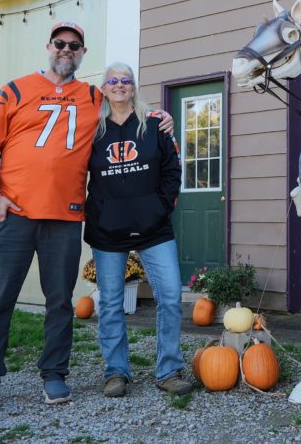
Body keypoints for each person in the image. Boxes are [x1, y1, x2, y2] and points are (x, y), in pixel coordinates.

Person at [0, 22, 173, 415]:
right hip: (14, 213)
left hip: (64, 216)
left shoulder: (92, 95)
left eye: (75, 45)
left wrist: (160, 116)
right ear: (49, 47)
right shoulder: (15, 90)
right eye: (61, 43)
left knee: (60, 302)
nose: (67, 49)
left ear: (83, 53)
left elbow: (125, 101)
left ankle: (54, 372)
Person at [83, 62, 191, 398]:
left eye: (125, 80)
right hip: (108, 230)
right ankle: (116, 372)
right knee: (111, 303)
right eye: (112, 81)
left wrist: (159, 207)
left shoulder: (156, 124)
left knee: (171, 296)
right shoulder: (92, 129)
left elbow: (173, 171)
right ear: (104, 88)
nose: (119, 85)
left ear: (133, 87)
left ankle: (168, 369)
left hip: (153, 228)